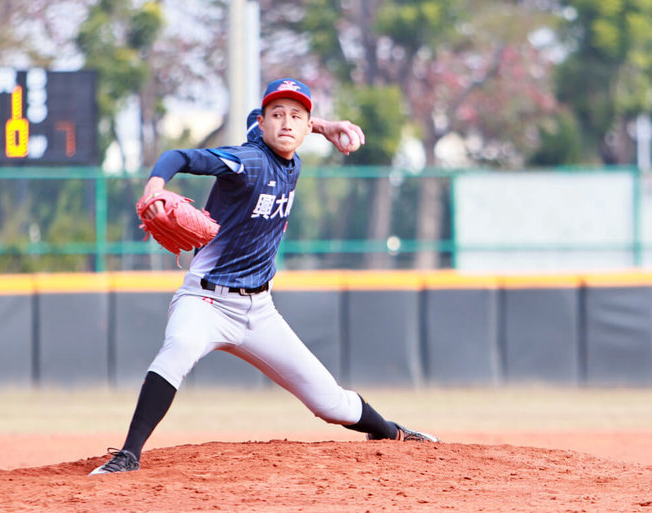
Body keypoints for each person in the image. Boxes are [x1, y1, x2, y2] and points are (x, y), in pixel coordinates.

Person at [90, 78, 438, 475]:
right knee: (179, 348)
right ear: (262, 121)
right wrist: (155, 185)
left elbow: (282, 122)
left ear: (308, 127)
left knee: (329, 402)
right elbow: (179, 155)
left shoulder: (292, 151)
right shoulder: (247, 161)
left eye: (297, 116)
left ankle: (391, 433)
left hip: (259, 310)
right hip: (206, 301)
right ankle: (129, 454)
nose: (286, 123)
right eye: (277, 115)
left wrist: (325, 126)